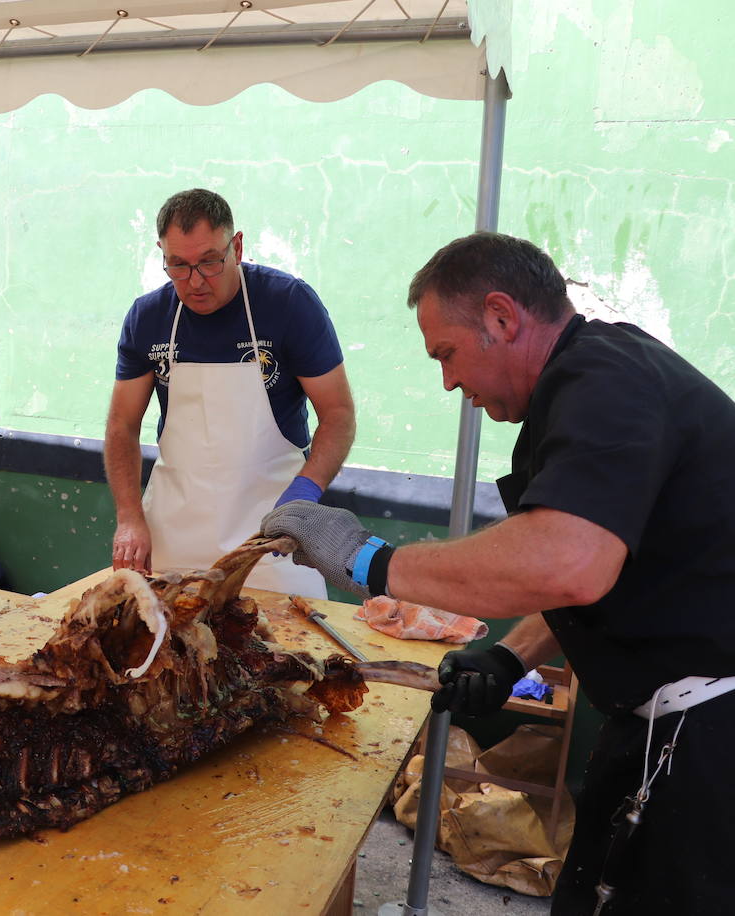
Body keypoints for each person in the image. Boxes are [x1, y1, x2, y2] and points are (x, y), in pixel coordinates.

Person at [260, 231, 735, 915]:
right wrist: (511, 658)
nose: (449, 381)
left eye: (446, 355)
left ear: (502, 317)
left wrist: (368, 560)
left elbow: (570, 560)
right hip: (658, 724)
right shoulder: (587, 384)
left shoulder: (606, 382)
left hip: (710, 741)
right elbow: (590, 567)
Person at [104, 188, 355, 595]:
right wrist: (130, 516)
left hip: (274, 536)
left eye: (209, 262)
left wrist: (305, 493)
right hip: (175, 535)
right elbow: (121, 424)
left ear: (236, 247)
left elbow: (339, 413)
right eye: (178, 266)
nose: (195, 281)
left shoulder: (289, 303)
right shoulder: (148, 317)